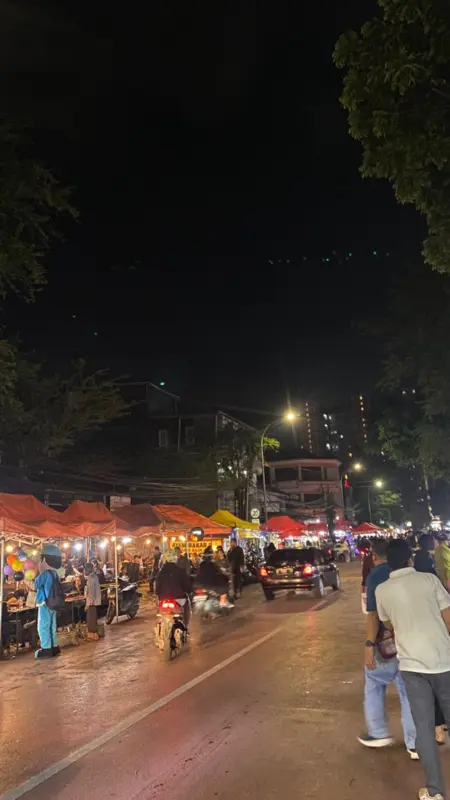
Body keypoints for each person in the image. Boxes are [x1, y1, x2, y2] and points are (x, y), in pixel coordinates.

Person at [376, 539, 450, 800]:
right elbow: (448, 617)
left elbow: (387, 623)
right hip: (444, 661)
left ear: (388, 562)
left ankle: (434, 791)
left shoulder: (382, 591)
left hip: (411, 666)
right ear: (410, 559)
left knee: (425, 729)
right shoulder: (429, 581)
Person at [358, 538, 417, 758]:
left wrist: (369, 645)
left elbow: (373, 615)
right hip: (411, 642)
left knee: (373, 682)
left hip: (386, 645)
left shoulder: (375, 577)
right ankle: (414, 743)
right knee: (408, 691)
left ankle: (379, 732)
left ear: (375, 556)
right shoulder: (412, 574)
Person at [413, 535, 446, 745]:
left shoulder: (410, 585)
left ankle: (437, 730)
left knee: (429, 690)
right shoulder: (434, 581)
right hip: (439, 640)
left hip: (418, 645)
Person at [34, 543, 63, 659]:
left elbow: (34, 585)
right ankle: (54, 646)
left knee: (43, 626)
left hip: (44, 603)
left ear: (44, 559)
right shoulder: (55, 574)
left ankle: (46, 648)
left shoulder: (45, 574)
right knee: (52, 625)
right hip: (54, 603)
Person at [155, 550, 192, 627]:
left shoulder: (161, 572)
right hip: (179, 598)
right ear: (175, 559)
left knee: (160, 613)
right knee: (186, 607)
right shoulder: (180, 570)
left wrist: (158, 594)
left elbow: (157, 587)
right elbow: (186, 585)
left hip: (163, 599)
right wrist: (189, 590)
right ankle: (185, 626)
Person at [84, 563, 102, 641]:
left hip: (92, 602)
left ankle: (93, 636)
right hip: (95, 602)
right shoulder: (94, 576)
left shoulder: (90, 579)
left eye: (85, 569)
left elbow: (91, 593)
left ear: (87, 570)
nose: (84, 571)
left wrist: (88, 604)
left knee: (90, 619)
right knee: (93, 619)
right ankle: (93, 635)